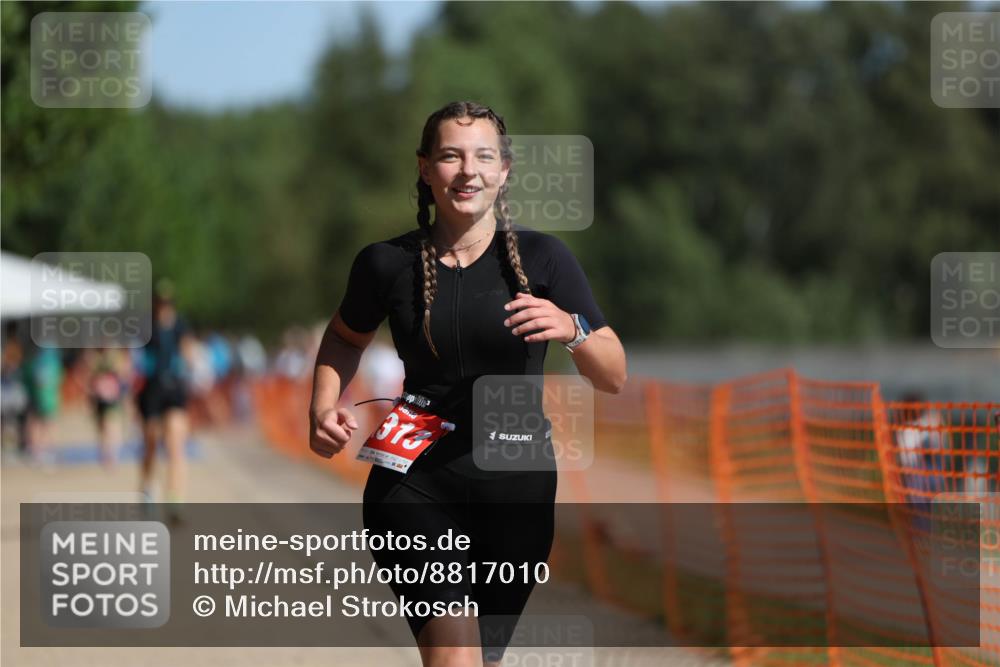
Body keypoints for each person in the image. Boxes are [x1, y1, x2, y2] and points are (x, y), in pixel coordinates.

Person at [309, 101, 627, 667]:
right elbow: (343, 338)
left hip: (517, 487)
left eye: (483, 156)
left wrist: (573, 330)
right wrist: (322, 405)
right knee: (454, 655)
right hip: (413, 481)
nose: (468, 170)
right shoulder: (385, 264)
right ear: (425, 168)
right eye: (451, 156)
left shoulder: (543, 259)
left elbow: (614, 374)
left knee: (483, 659)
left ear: (504, 170)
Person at [136, 281, 194, 524]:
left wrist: (191, 364)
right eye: (160, 302)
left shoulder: (181, 325)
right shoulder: (146, 327)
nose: (164, 307)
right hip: (151, 391)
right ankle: (148, 490)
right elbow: (135, 358)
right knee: (151, 442)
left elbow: (189, 351)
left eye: (168, 302)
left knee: (175, 445)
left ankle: (175, 500)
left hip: (175, 390)